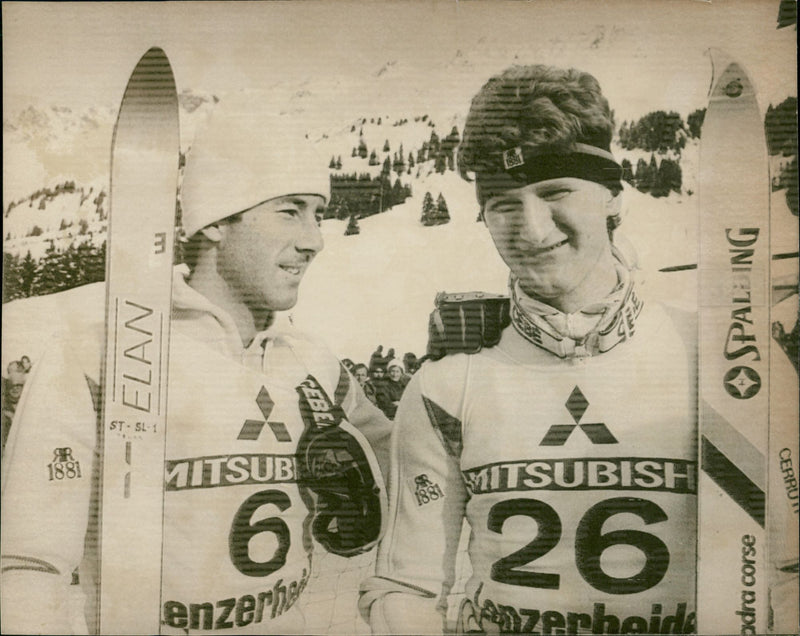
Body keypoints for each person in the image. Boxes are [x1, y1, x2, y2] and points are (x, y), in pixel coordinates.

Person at [0, 96, 391, 635]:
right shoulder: (99, 353)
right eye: (289, 211)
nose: (314, 240)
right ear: (214, 224)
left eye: (318, 214)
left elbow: (407, 460)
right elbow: (27, 568)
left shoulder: (312, 362)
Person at [360, 65, 698, 634]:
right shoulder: (448, 384)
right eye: (504, 206)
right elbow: (406, 583)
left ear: (614, 197)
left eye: (555, 192)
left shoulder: (712, 359)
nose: (533, 230)